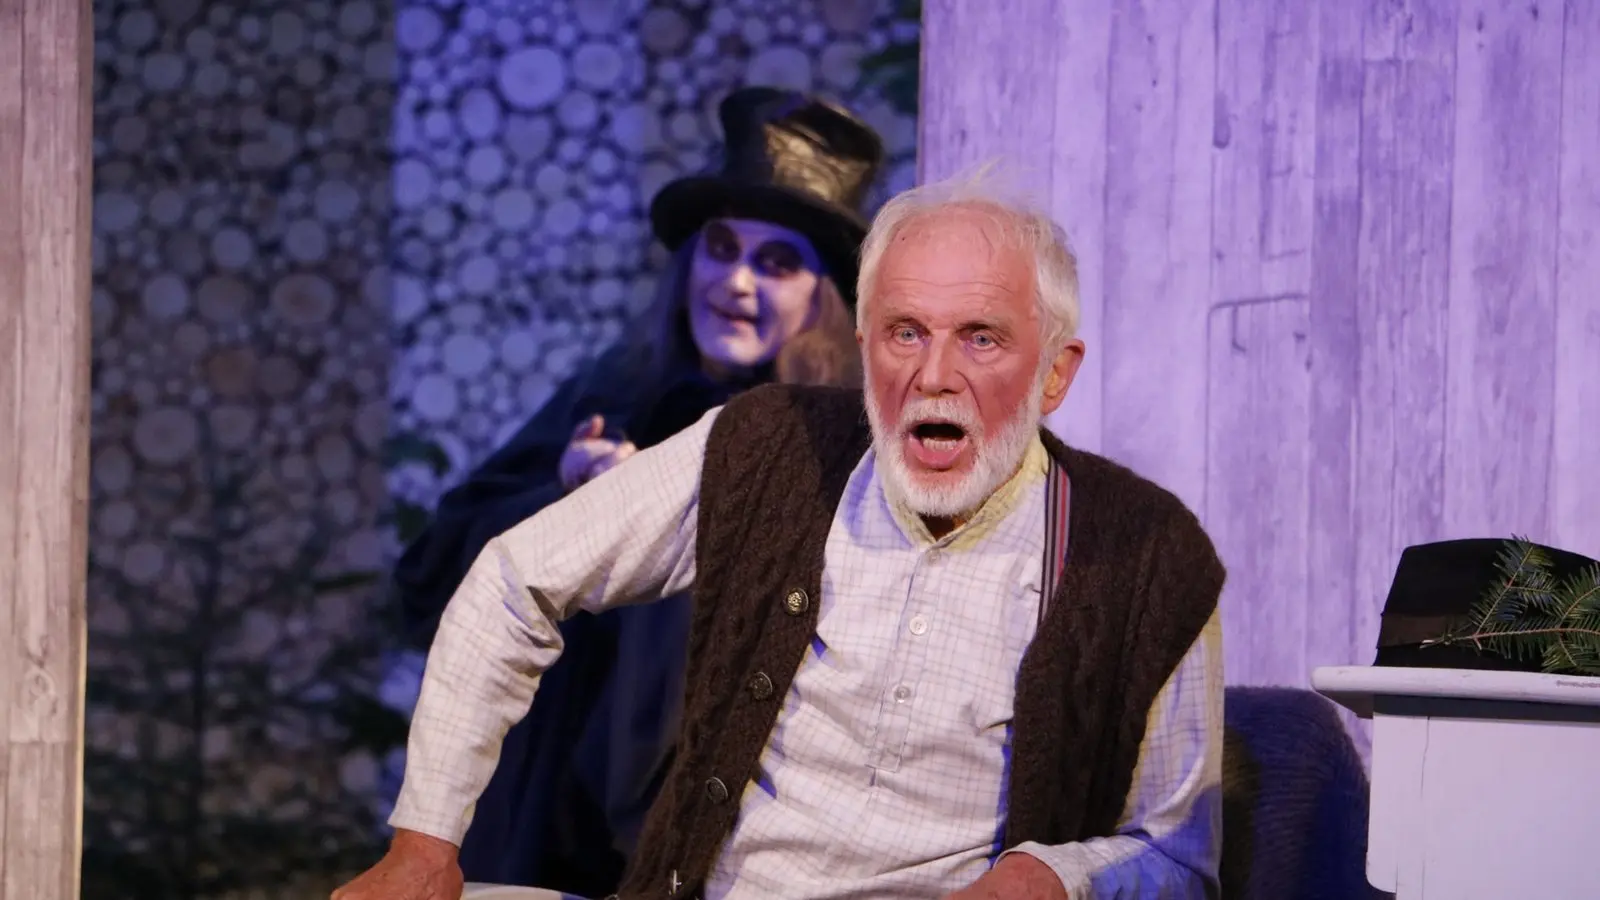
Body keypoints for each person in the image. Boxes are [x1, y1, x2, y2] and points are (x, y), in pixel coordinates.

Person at [338, 167, 1227, 900]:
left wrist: (1056, 878)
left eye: (982, 339)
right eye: (905, 332)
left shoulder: (1145, 555)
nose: (933, 375)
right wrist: (425, 841)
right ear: (867, 342)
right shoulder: (767, 445)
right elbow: (511, 578)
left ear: (1054, 374)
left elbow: (1182, 857)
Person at [386, 87, 885, 895]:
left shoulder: (834, 442)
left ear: (822, 293)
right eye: (721, 248)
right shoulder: (617, 388)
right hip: (538, 826)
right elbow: (434, 574)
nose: (737, 283)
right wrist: (571, 496)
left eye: (776, 263)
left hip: (713, 839)